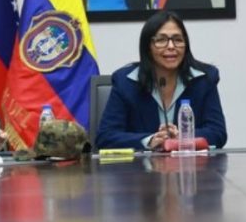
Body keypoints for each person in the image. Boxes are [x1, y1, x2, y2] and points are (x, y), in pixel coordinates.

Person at [96, 11, 227, 150]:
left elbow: (218, 133)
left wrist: (183, 137)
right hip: (141, 164)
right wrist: (150, 140)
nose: (171, 46)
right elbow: (106, 136)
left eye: (178, 40)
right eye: (161, 40)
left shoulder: (204, 80)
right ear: (148, 46)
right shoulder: (126, 82)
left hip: (191, 163)